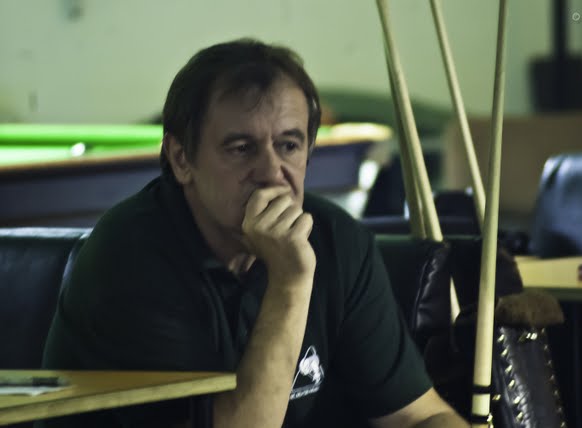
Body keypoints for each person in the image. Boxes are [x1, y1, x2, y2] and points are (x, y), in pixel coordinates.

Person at [41, 39, 468, 428]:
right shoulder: (129, 257)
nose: (270, 173)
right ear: (181, 159)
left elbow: (420, 416)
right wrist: (290, 282)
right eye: (241, 148)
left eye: (289, 145)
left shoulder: (339, 240)